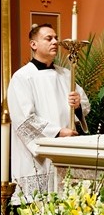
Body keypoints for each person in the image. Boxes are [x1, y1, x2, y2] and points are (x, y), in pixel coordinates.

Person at [7, 23, 91, 205]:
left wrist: (77, 106)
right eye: (49, 38)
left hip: (65, 151)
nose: (55, 42)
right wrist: (58, 132)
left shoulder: (67, 74)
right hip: (36, 158)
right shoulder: (22, 77)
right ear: (33, 44)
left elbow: (85, 105)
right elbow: (24, 120)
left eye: (56, 38)